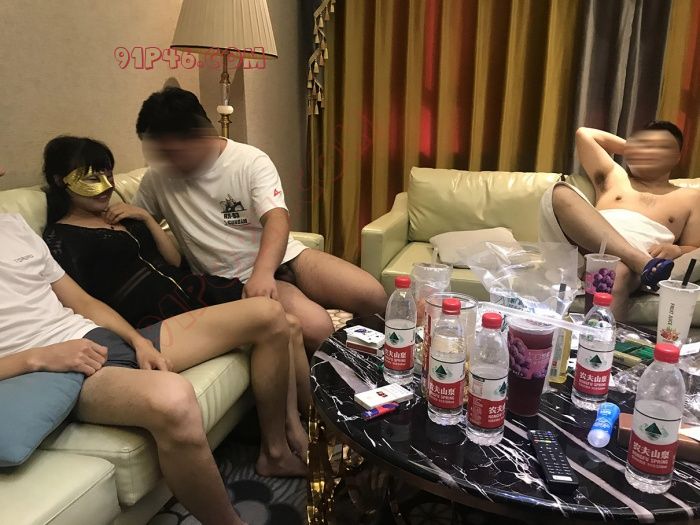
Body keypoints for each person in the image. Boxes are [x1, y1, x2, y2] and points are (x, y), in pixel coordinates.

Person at [38, 135, 311, 459]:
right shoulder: (60, 239)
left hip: (191, 290)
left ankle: (302, 425)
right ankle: (283, 445)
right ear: (61, 181)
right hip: (155, 313)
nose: (106, 186)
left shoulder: (121, 217)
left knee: (291, 324)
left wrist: (145, 218)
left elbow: (173, 260)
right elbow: (81, 302)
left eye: (109, 174)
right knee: (278, 321)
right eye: (91, 177)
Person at [132, 87, 388, 353]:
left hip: (285, 258)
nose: (166, 161)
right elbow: (133, 231)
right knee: (317, 327)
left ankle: (372, 362)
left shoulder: (249, 160)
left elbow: (277, 218)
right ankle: (337, 370)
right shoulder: (156, 180)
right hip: (237, 279)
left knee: (372, 295)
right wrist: (136, 217)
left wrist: (264, 273)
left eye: (172, 151)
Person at [540, 121, 700, 319]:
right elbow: (585, 134)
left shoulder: (691, 197)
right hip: (582, 247)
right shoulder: (614, 176)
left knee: (613, 275)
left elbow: (694, 247)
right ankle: (640, 262)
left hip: (623, 264)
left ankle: (602, 338)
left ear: (677, 157)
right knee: (560, 192)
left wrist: (677, 250)